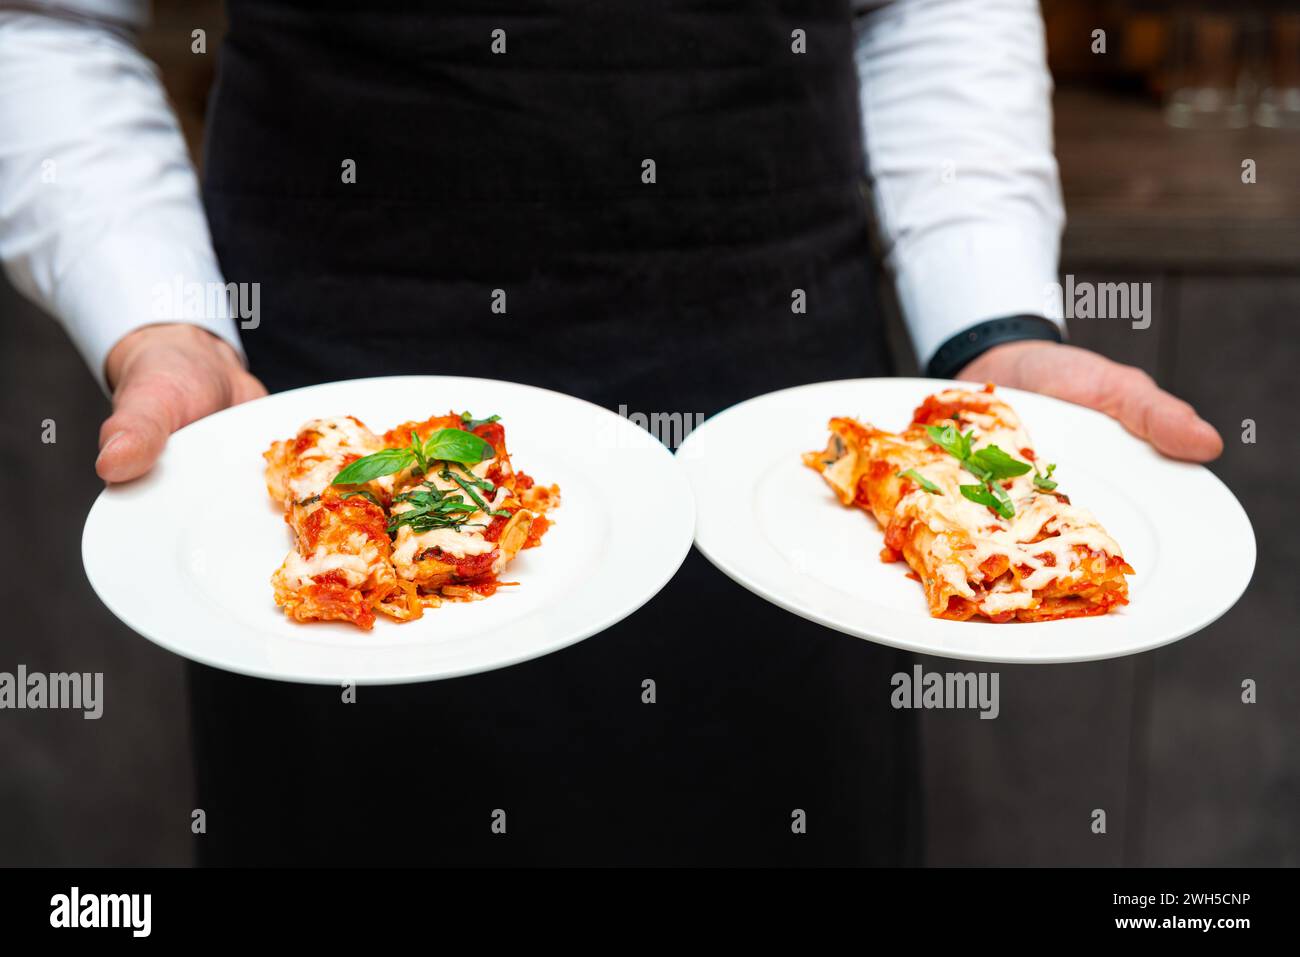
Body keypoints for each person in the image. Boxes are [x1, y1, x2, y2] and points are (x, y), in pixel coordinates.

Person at [1, 0, 1221, 866]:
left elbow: (927, 8)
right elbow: (51, 19)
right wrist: (160, 320)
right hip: (321, 376)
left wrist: (987, 327)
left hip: (773, 392)